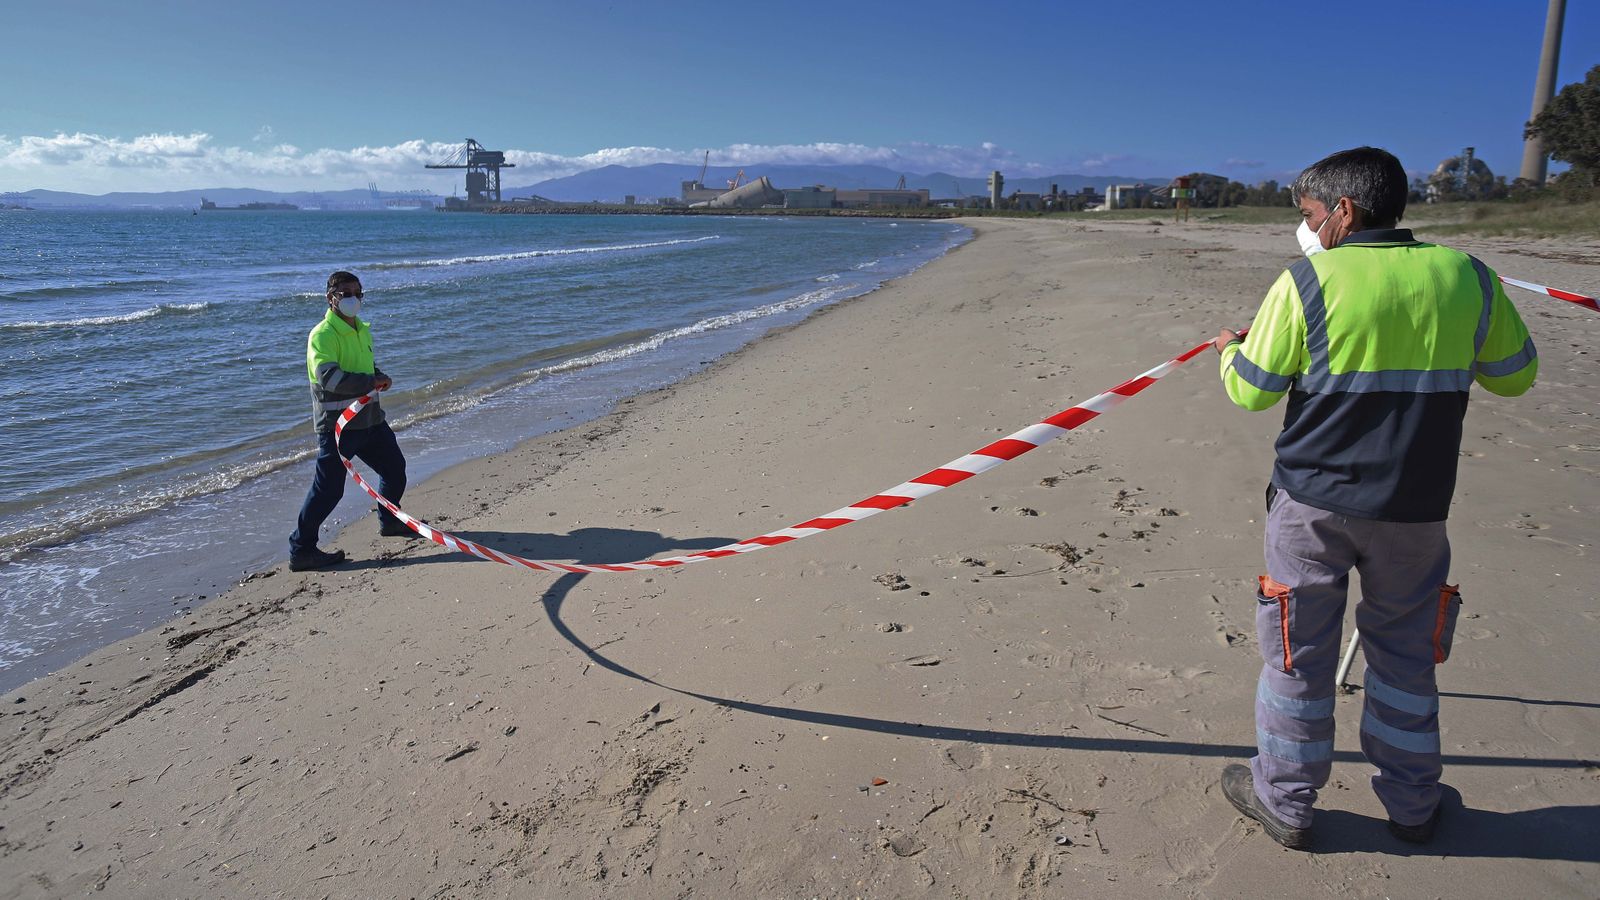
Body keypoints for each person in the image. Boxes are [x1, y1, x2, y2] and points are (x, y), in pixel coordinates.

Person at [1212, 147, 1537, 849]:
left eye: (1308, 213)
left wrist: (1229, 351)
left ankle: (1286, 802)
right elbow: (1515, 376)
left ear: (1344, 211)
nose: (1307, 227)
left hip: (1311, 504)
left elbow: (1252, 390)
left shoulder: (1307, 281)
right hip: (1416, 507)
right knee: (1404, 659)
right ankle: (1414, 803)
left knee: (1297, 656)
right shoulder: (1468, 276)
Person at [288, 271, 414, 571]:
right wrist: (371, 380)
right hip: (339, 427)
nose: (354, 299)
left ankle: (390, 521)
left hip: (371, 421)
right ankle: (301, 549)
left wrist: (378, 376)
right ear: (331, 298)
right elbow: (331, 379)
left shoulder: (361, 329)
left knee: (394, 469)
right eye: (346, 293)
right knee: (329, 490)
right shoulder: (322, 335)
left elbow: (364, 364)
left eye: (358, 293)